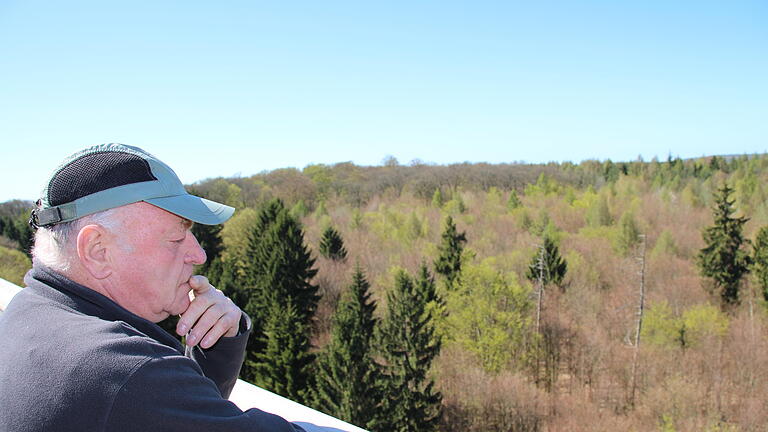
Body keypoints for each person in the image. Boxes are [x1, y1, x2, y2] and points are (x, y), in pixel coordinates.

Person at [0, 143, 304, 431]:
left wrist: (218, 346)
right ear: (97, 250)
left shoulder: (26, 312)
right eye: (175, 238)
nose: (199, 255)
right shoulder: (123, 370)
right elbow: (139, 394)